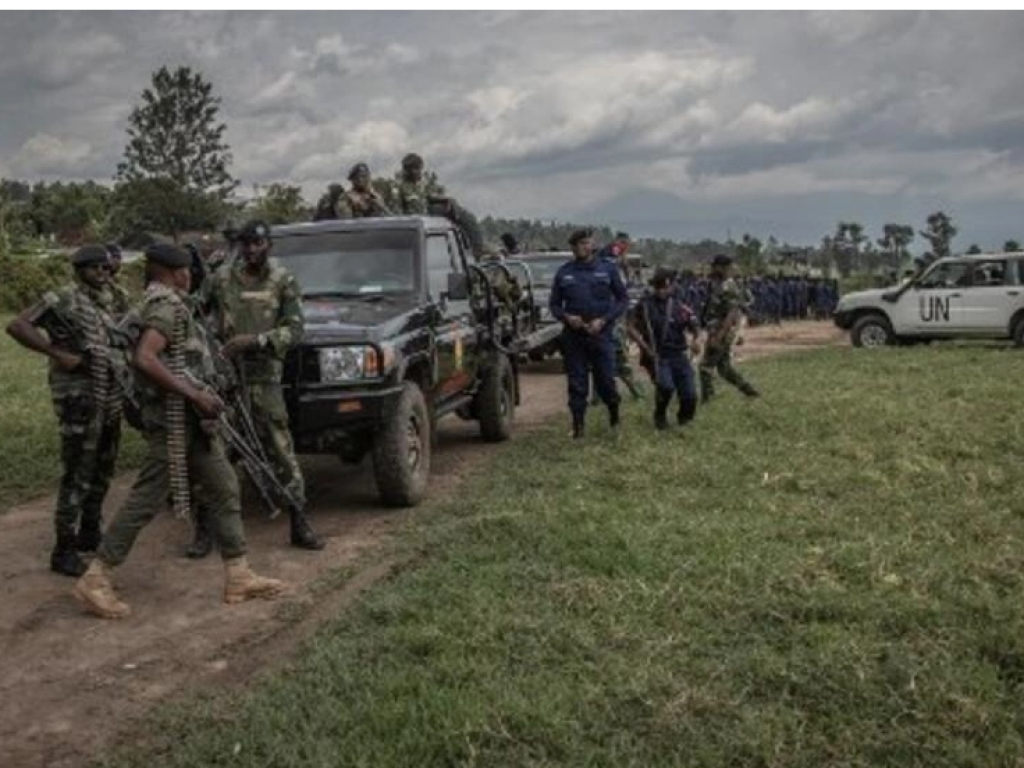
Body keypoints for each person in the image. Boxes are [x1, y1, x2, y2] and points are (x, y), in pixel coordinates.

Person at [72, 243, 285, 619]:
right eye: (186, 270)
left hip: (189, 422)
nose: (190, 276)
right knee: (146, 499)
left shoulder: (163, 302)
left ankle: (239, 574)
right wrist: (195, 394)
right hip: (173, 420)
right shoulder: (166, 307)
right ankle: (96, 577)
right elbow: (145, 358)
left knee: (223, 486)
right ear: (173, 273)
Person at [204, 220, 324, 550]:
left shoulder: (282, 279)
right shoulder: (221, 278)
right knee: (213, 452)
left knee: (280, 450)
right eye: (246, 244)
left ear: (268, 244)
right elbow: (197, 313)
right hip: (224, 380)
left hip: (264, 378)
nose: (251, 249)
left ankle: (300, 523)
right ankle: (204, 531)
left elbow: (295, 330)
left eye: (257, 243)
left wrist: (255, 340)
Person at [6, 245, 124, 576]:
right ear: (79, 270)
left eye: (105, 267)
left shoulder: (112, 298)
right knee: (78, 471)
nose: (103, 273)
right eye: (95, 268)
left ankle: (89, 530)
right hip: (78, 398)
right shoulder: (63, 297)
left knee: (103, 466)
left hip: (109, 393)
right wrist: (57, 353)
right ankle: (64, 549)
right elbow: (18, 326)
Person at [548, 229, 628, 438]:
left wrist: (604, 320)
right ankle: (578, 427)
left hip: (601, 335)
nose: (584, 247)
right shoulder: (564, 272)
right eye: (579, 244)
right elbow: (554, 305)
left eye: (587, 243)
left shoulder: (608, 269)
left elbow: (622, 300)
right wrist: (566, 317)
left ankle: (615, 419)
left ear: (592, 245)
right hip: (574, 337)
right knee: (577, 384)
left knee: (606, 382)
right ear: (573, 247)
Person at [629, 268, 701, 430]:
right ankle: (660, 416)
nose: (663, 291)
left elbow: (695, 327)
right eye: (659, 287)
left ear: (672, 287)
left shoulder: (680, 306)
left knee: (690, 394)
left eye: (666, 287)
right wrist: (645, 347)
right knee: (666, 387)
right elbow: (630, 326)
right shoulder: (645, 305)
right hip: (658, 356)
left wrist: (696, 341)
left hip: (679, 354)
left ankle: (685, 420)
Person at [392, 153, 486, 258]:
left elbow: (431, 196)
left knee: (465, 216)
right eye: (415, 170)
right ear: (408, 171)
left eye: (419, 169)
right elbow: (396, 212)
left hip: (428, 214)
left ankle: (478, 248)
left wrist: (447, 199)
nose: (418, 173)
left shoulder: (421, 185)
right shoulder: (399, 188)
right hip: (415, 222)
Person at [698, 254, 760, 402]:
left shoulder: (728, 286)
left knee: (705, 367)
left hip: (722, 331)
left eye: (715, 266)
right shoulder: (716, 284)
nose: (712, 269)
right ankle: (749, 391)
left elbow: (732, 313)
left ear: (721, 267)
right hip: (717, 329)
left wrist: (719, 336)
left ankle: (708, 399)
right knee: (724, 369)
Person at [596, 231, 642, 400]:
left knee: (603, 358)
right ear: (622, 242)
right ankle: (634, 392)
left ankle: (599, 395)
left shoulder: (616, 255)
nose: (626, 247)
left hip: (610, 312)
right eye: (626, 244)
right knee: (617, 353)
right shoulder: (613, 251)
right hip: (611, 313)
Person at [105, 242, 132, 318]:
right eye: (113, 257)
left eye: (119, 258)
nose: (117, 261)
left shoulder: (117, 282)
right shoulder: (99, 282)